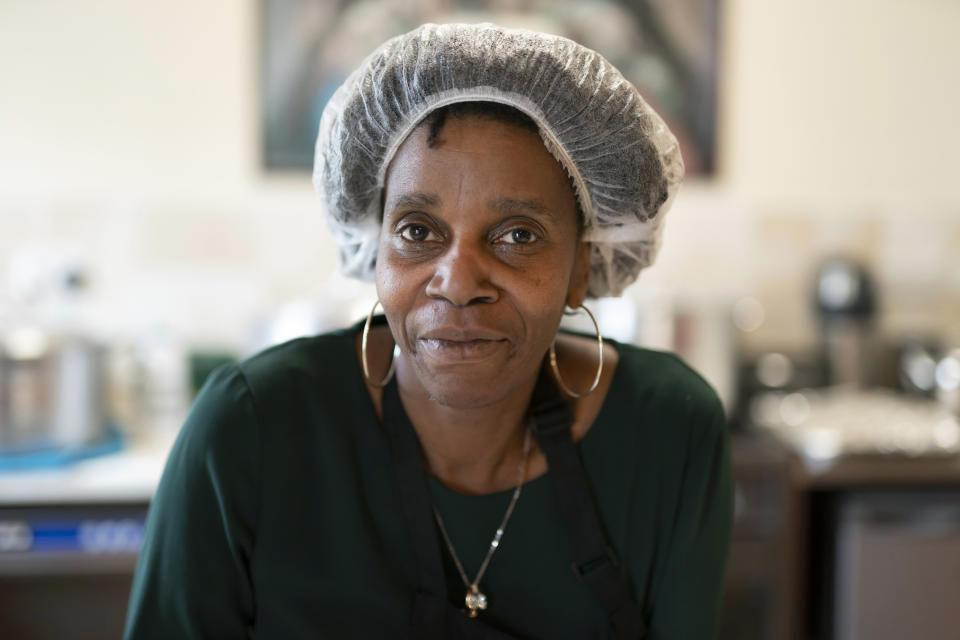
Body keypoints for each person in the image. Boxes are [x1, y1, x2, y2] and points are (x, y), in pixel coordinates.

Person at [124, 22, 732, 639]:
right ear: (376, 244)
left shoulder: (669, 428)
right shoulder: (249, 430)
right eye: (418, 230)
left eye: (517, 235)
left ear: (580, 268)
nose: (458, 281)